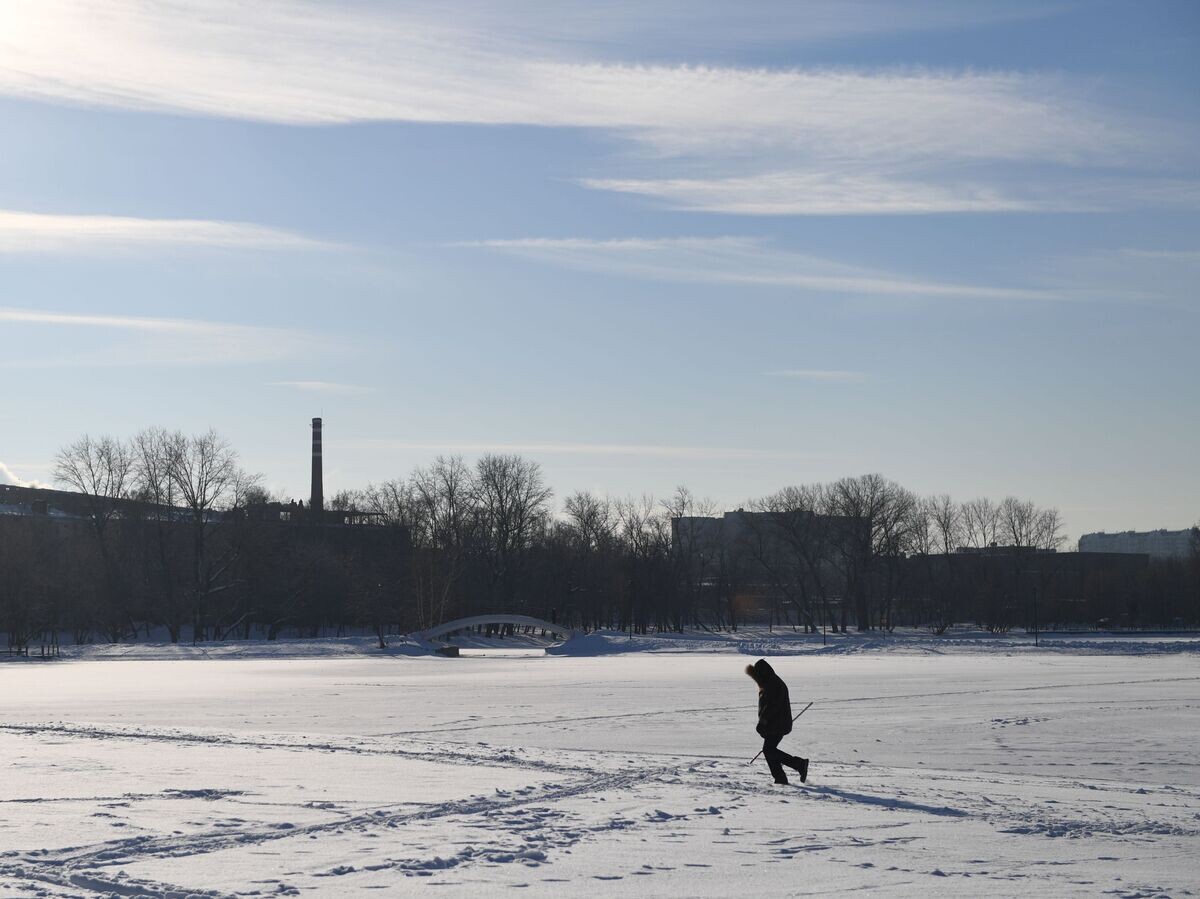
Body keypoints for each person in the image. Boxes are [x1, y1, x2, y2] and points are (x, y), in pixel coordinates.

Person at [746, 658, 808, 785]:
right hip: (775, 723)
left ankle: (799, 764)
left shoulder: (773, 684)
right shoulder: (770, 681)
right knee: (769, 750)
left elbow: (772, 706)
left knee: (769, 750)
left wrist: (763, 721)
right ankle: (781, 778)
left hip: (777, 724)